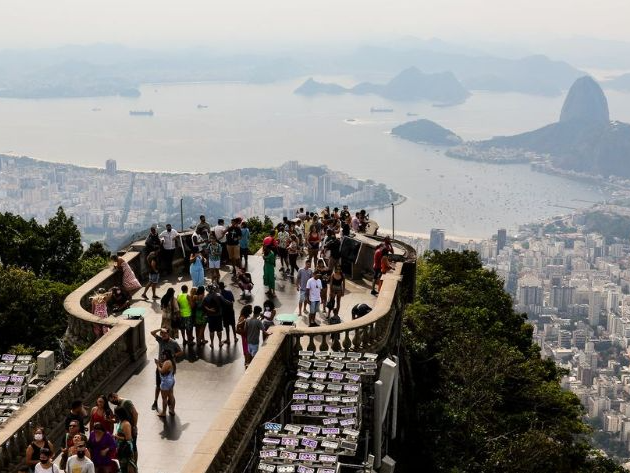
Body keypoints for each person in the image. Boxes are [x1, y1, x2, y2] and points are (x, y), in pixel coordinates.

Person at [149, 328, 182, 410]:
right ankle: (155, 401)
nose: (163, 335)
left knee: (170, 386)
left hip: (169, 367)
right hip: (160, 365)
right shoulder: (160, 340)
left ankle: (170, 401)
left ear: (168, 334)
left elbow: (180, 351)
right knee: (158, 386)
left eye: (165, 334)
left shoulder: (173, 343)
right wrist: (160, 329)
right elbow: (152, 332)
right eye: (162, 334)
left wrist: (173, 355)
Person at [107, 393, 138, 463]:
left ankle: (134, 464)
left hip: (130, 427)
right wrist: (109, 420)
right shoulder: (116, 408)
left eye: (113, 401)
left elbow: (135, 413)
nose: (113, 403)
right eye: (111, 402)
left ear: (115, 396)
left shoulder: (126, 402)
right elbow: (117, 420)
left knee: (133, 446)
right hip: (121, 430)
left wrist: (134, 426)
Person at [113, 406, 137, 473]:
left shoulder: (126, 424)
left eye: (115, 414)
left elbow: (129, 438)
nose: (114, 415)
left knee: (126, 467)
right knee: (122, 467)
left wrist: (117, 437)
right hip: (121, 448)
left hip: (126, 450)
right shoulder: (121, 422)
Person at [155, 348, 176, 417]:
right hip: (171, 380)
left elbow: (162, 371)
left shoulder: (167, 362)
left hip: (166, 382)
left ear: (166, 355)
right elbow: (165, 367)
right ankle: (172, 410)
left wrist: (158, 365)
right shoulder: (171, 361)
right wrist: (160, 363)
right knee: (171, 395)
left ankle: (163, 413)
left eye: (163, 355)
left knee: (164, 398)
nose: (162, 356)